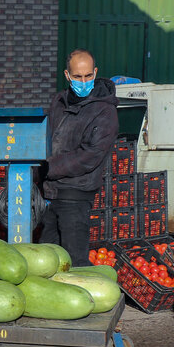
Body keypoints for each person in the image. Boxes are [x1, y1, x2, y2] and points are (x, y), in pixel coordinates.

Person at [39, 48, 119, 266]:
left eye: (88, 75)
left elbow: (90, 154)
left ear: (95, 72)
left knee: (74, 262)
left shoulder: (105, 111)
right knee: (46, 259)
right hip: (50, 193)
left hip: (76, 194)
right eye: (77, 76)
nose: (83, 81)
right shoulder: (59, 101)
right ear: (67, 75)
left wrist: (49, 167)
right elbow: (47, 138)